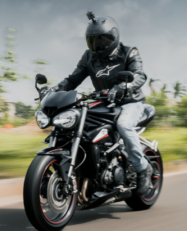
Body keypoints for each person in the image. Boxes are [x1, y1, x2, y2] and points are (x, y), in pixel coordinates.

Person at [57, 12, 152, 195]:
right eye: (92, 41)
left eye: (103, 40)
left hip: (129, 102)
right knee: (77, 125)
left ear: (114, 37)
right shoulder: (89, 57)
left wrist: (125, 86)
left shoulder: (129, 51)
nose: (97, 45)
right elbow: (72, 80)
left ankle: (142, 169)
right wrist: (55, 89)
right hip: (103, 102)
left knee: (124, 125)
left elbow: (139, 75)